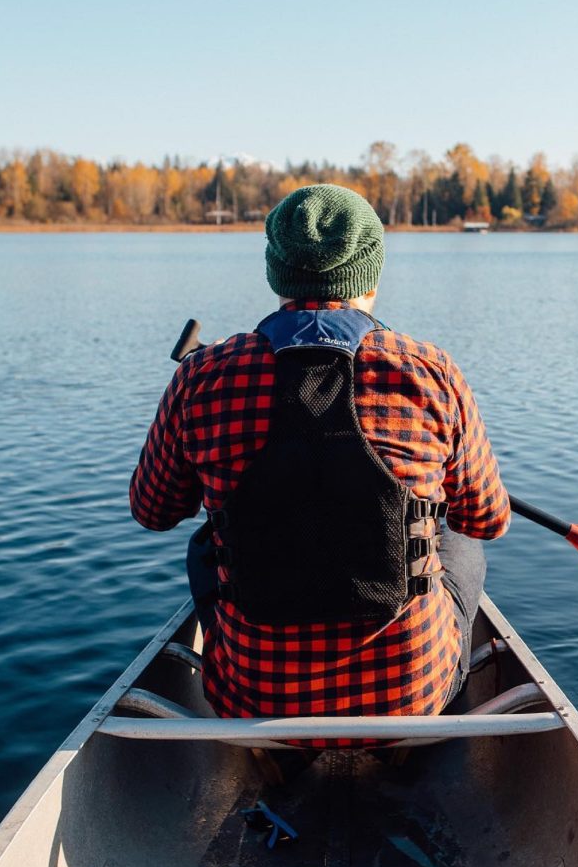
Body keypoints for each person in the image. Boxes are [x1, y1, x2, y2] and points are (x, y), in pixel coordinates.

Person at [130, 184, 510, 734]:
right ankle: (428, 687)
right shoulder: (431, 371)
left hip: (252, 701)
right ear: (371, 275)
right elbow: (488, 520)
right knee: (461, 537)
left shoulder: (202, 376)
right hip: (412, 697)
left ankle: (246, 676)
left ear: (275, 274)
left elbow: (153, 510)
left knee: (204, 540)